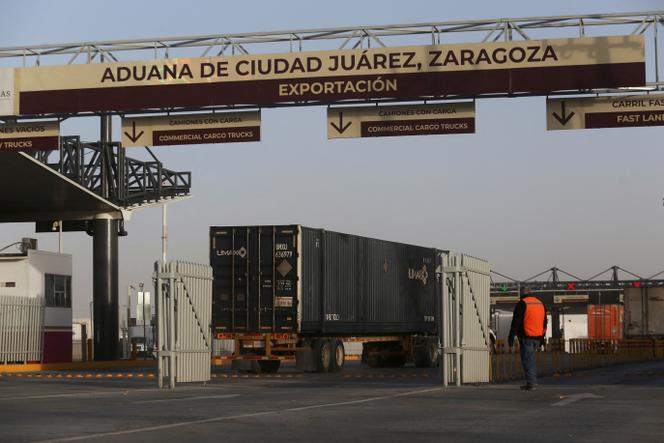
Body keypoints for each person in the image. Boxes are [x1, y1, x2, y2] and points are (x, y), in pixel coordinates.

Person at [508, 286, 547, 390]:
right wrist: (542, 338)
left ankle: (531, 383)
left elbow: (516, 322)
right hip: (537, 337)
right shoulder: (540, 303)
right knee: (531, 359)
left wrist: (511, 337)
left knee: (528, 361)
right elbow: (545, 323)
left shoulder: (522, 303)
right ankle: (532, 382)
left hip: (527, 337)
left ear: (522, 293)